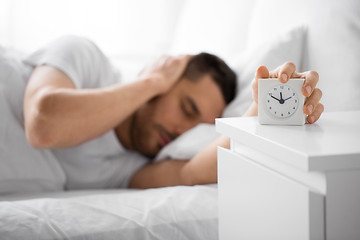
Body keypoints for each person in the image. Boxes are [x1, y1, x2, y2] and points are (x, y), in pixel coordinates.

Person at [0, 36, 323, 193]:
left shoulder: (128, 168)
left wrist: (262, 112)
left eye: (196, 126)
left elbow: (191, 173)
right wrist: (150, 82)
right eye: (187, 108)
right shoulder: (86, 60)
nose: (182, 130)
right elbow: (44, 125)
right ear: (167, 76)